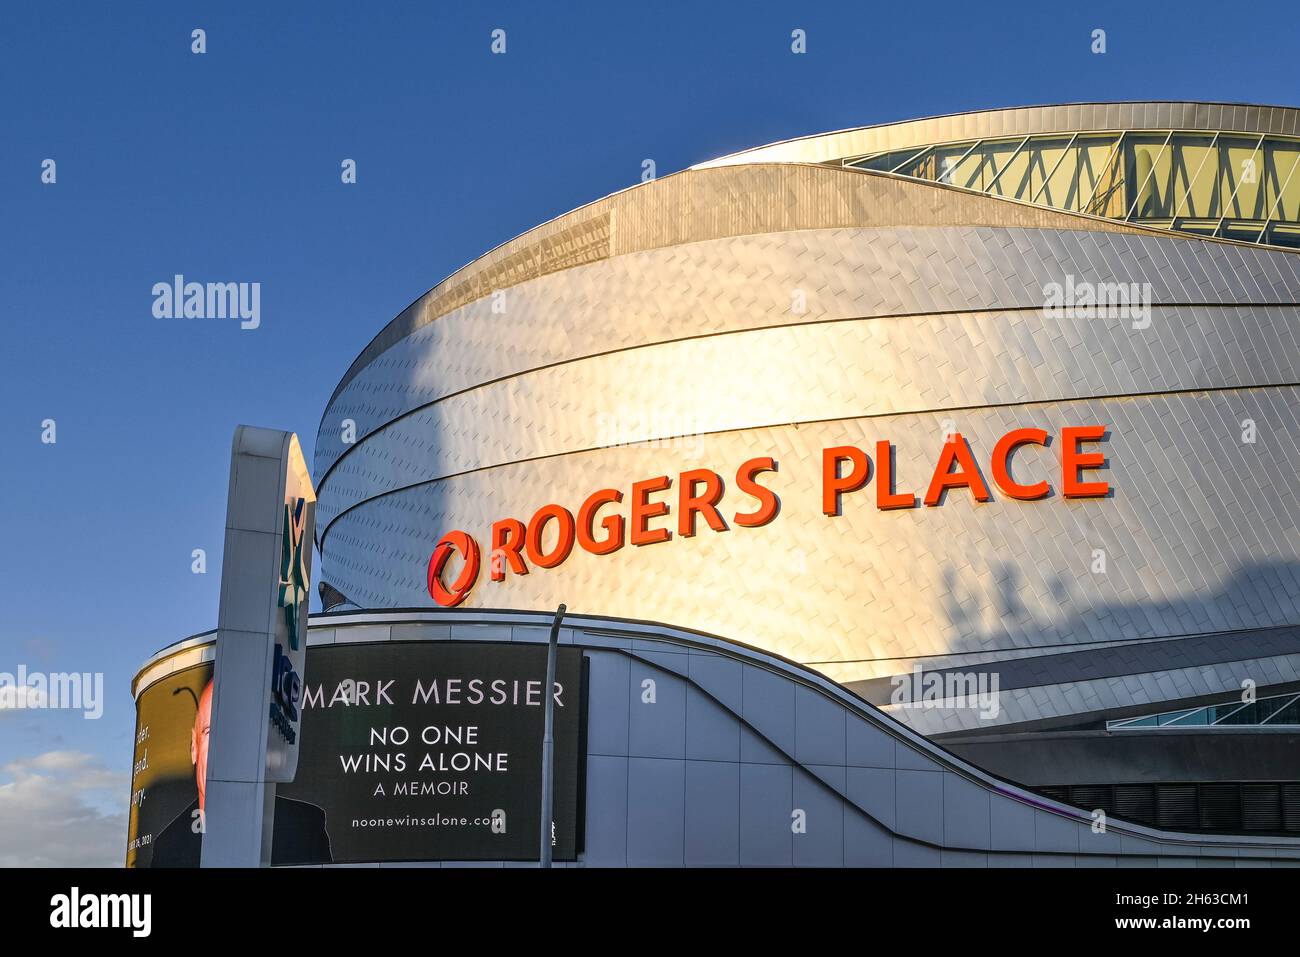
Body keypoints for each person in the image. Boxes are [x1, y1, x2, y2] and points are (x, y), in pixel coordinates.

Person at [150, 676, 333, 866]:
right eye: (210, 732)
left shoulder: (303, 825)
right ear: (194, 747)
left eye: (236, 732)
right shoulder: (168, 846)